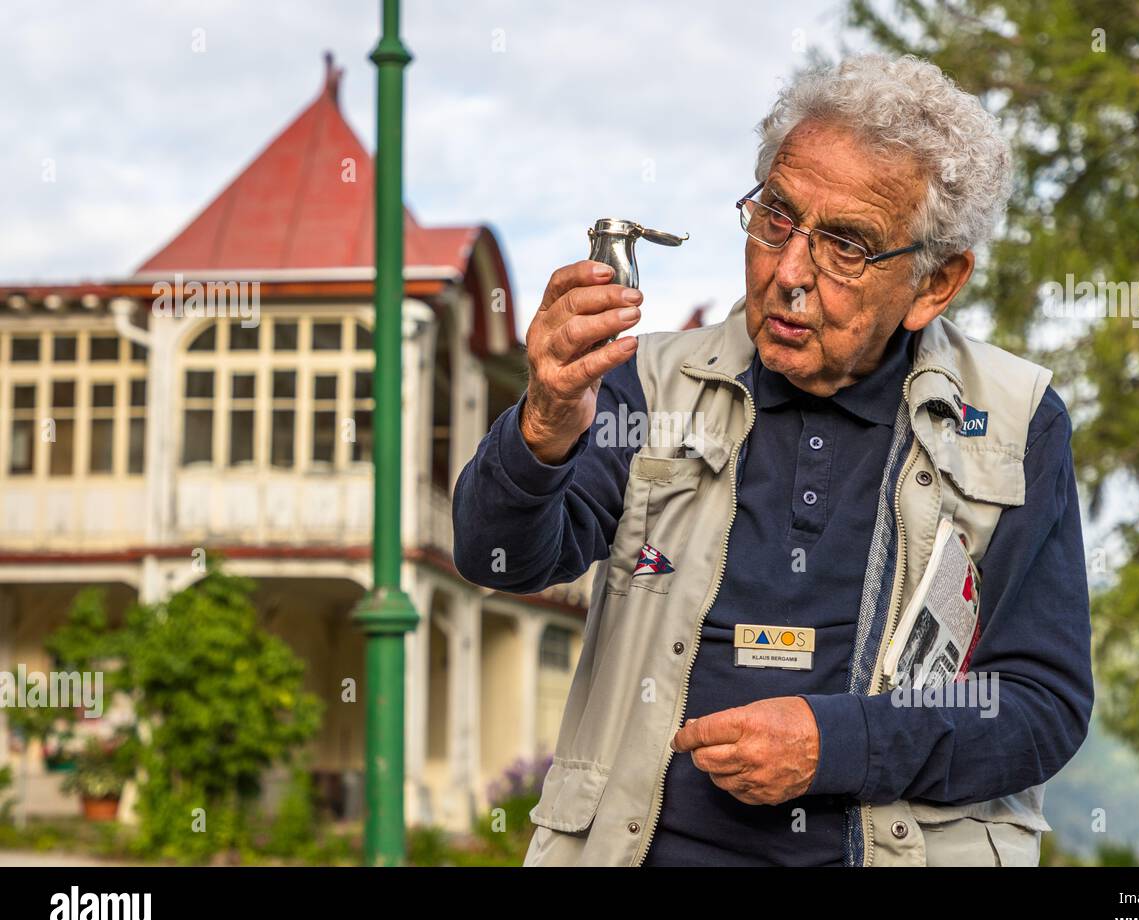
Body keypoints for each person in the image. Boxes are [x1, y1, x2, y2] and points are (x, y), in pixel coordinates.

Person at [452, 52, 1093, 866]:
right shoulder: (646, 383)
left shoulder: (1012, 420)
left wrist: (834, 744)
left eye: (848, 246)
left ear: (936, 283)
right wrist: (544, 420)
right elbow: (498, 558)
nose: (790, 273)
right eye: (776, 219)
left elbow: (1041, 709)